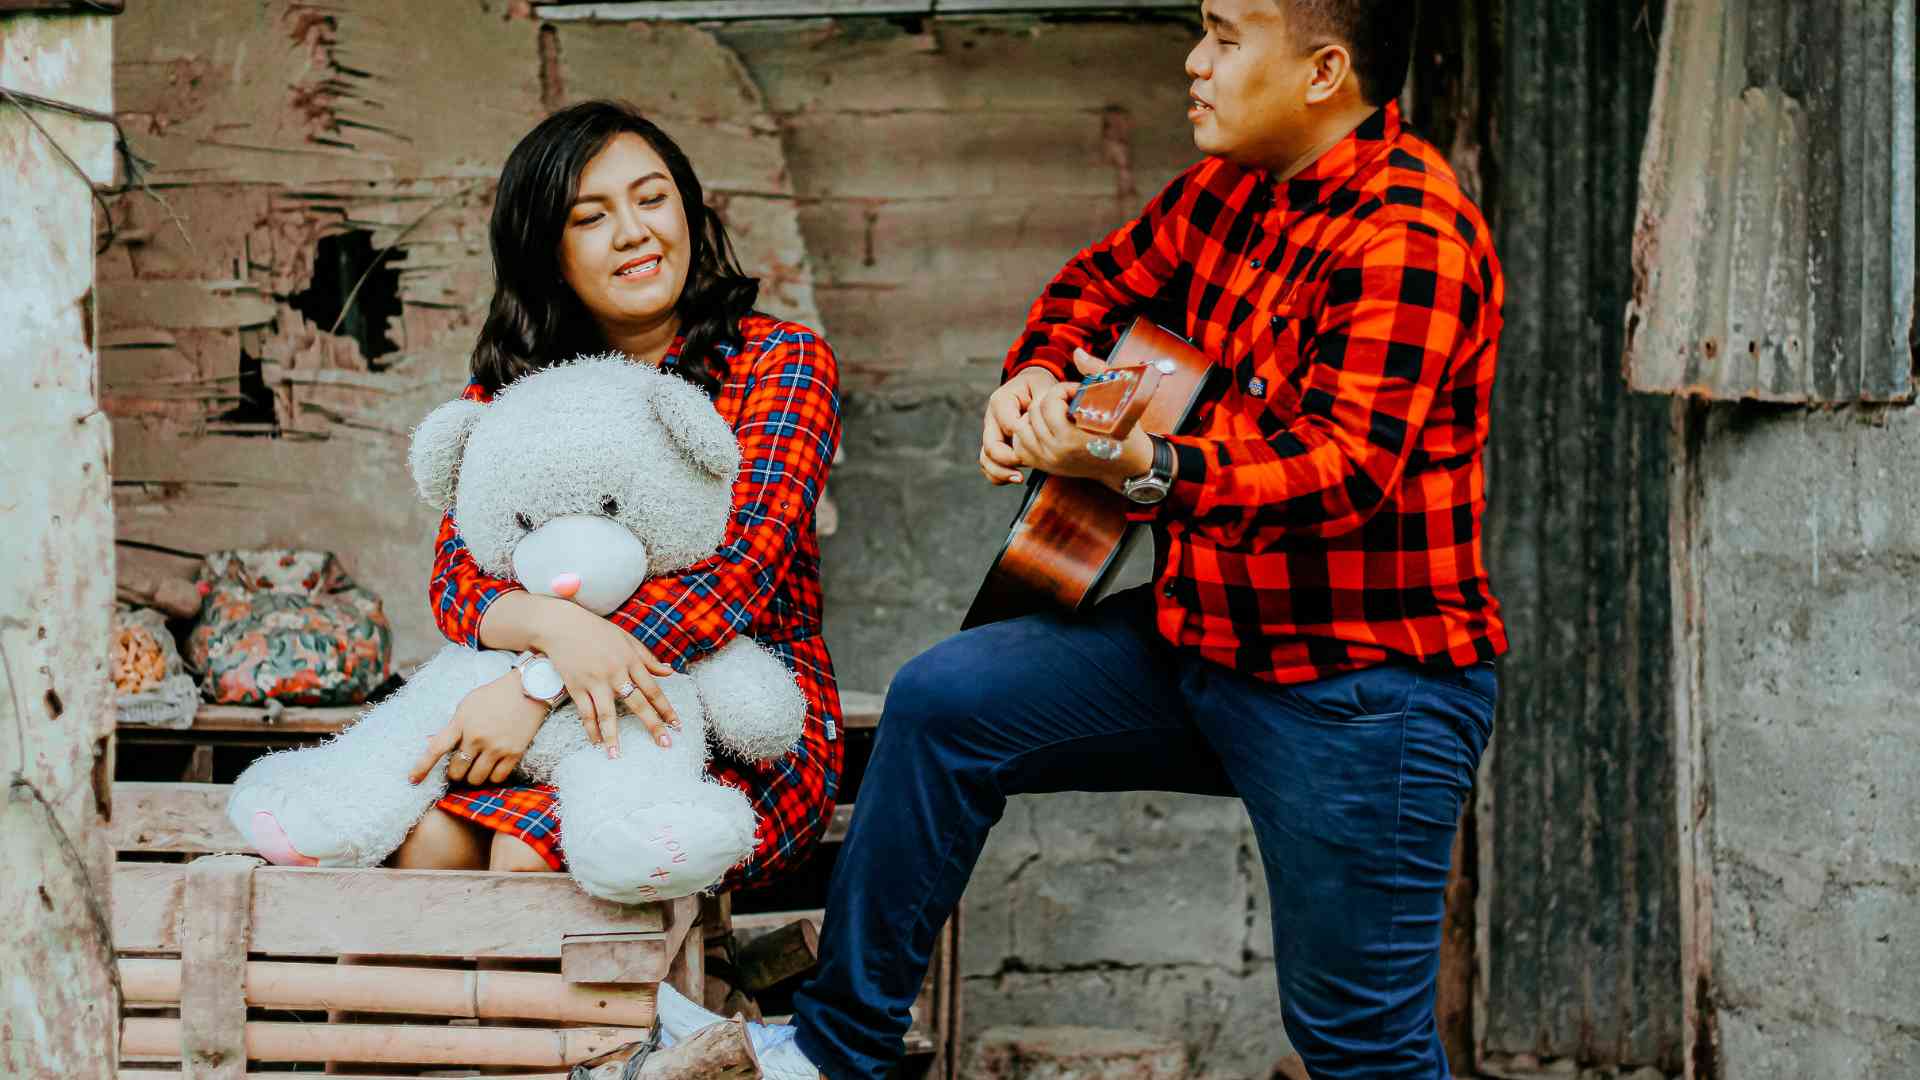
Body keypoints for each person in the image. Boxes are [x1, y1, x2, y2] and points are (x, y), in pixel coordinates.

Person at [659, 1, 1505, 1077]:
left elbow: (1338, 476)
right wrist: (1036, 375)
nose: (1194, 62)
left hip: (1362, 689)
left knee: (1358, 1045)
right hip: (1204, 640)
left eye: (1225, 37)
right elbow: (1093, 287)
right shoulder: (1230, 190)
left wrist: (1145, 465)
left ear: (1323, 72)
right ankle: (835, 1053)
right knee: (945, 702)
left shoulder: (1410, 235)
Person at [392, 100, 845, 897]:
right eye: (590, 217)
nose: (635, 232)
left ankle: (569, 995)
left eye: (652, 198)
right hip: (553, 727)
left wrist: (533, 687)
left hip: (741, 721)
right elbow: (456, 581)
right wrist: (553, 631)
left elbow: (736, 573)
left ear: (688, 208)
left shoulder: (779, 361)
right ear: (547, 251)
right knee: (425, 840)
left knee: (531, 854)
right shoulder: (520, 384)